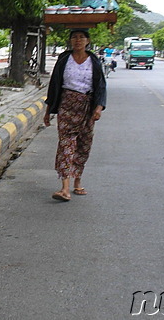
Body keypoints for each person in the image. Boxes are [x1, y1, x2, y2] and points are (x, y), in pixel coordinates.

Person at [43, 29, 107, 202]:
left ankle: (77, 180)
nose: (78, 40)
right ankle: (65, 188)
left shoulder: (93, 61)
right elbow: (54, 85)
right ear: (70, 41)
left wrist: (99, 108)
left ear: (88, 40)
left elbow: (101, 85)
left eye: (82, 37)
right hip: (67, 105)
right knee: (66, 144)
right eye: (74, 37)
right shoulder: (64, 59)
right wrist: (48, 111)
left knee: (83, 144)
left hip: (87, 107)